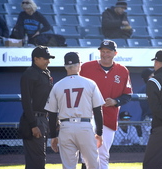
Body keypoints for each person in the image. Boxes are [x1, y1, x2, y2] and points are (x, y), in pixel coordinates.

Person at [45, 52, 104, 169]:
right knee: (93, 165)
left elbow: (51, 114)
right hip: (84, 126)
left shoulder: (57, 85)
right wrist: (100, 133)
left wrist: (53, 136)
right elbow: (98, 110)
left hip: (65, 127)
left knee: (68, 166)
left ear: (65, 66)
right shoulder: (90, 83)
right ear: (79, 65)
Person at [80, 40, 133, 169]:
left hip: (109, 117)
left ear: (115, 53)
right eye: (102, 51)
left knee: (103, 154)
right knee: (85, 154)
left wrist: (116, 101)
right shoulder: (86, 67)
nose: (105, 54)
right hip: (87, 116)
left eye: (108, 51)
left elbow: (128, 95)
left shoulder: (122, 70)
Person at [18, 46, 55, 169]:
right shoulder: (29, 74)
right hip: (34, 119)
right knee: (37, 159)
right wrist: (33, 125)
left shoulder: (45, 72)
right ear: (36, 59)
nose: (48, 61)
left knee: (39, 157)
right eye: (45, 59)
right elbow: (26, 101)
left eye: (48, 58)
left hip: (43, 118)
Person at [139, 68, 154, 145]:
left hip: (146, 118)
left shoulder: (142, 88)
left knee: (147, 144)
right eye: (152, 75)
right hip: (150, 118)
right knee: (153, 143)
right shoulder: (148, 87)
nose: (154, 76)